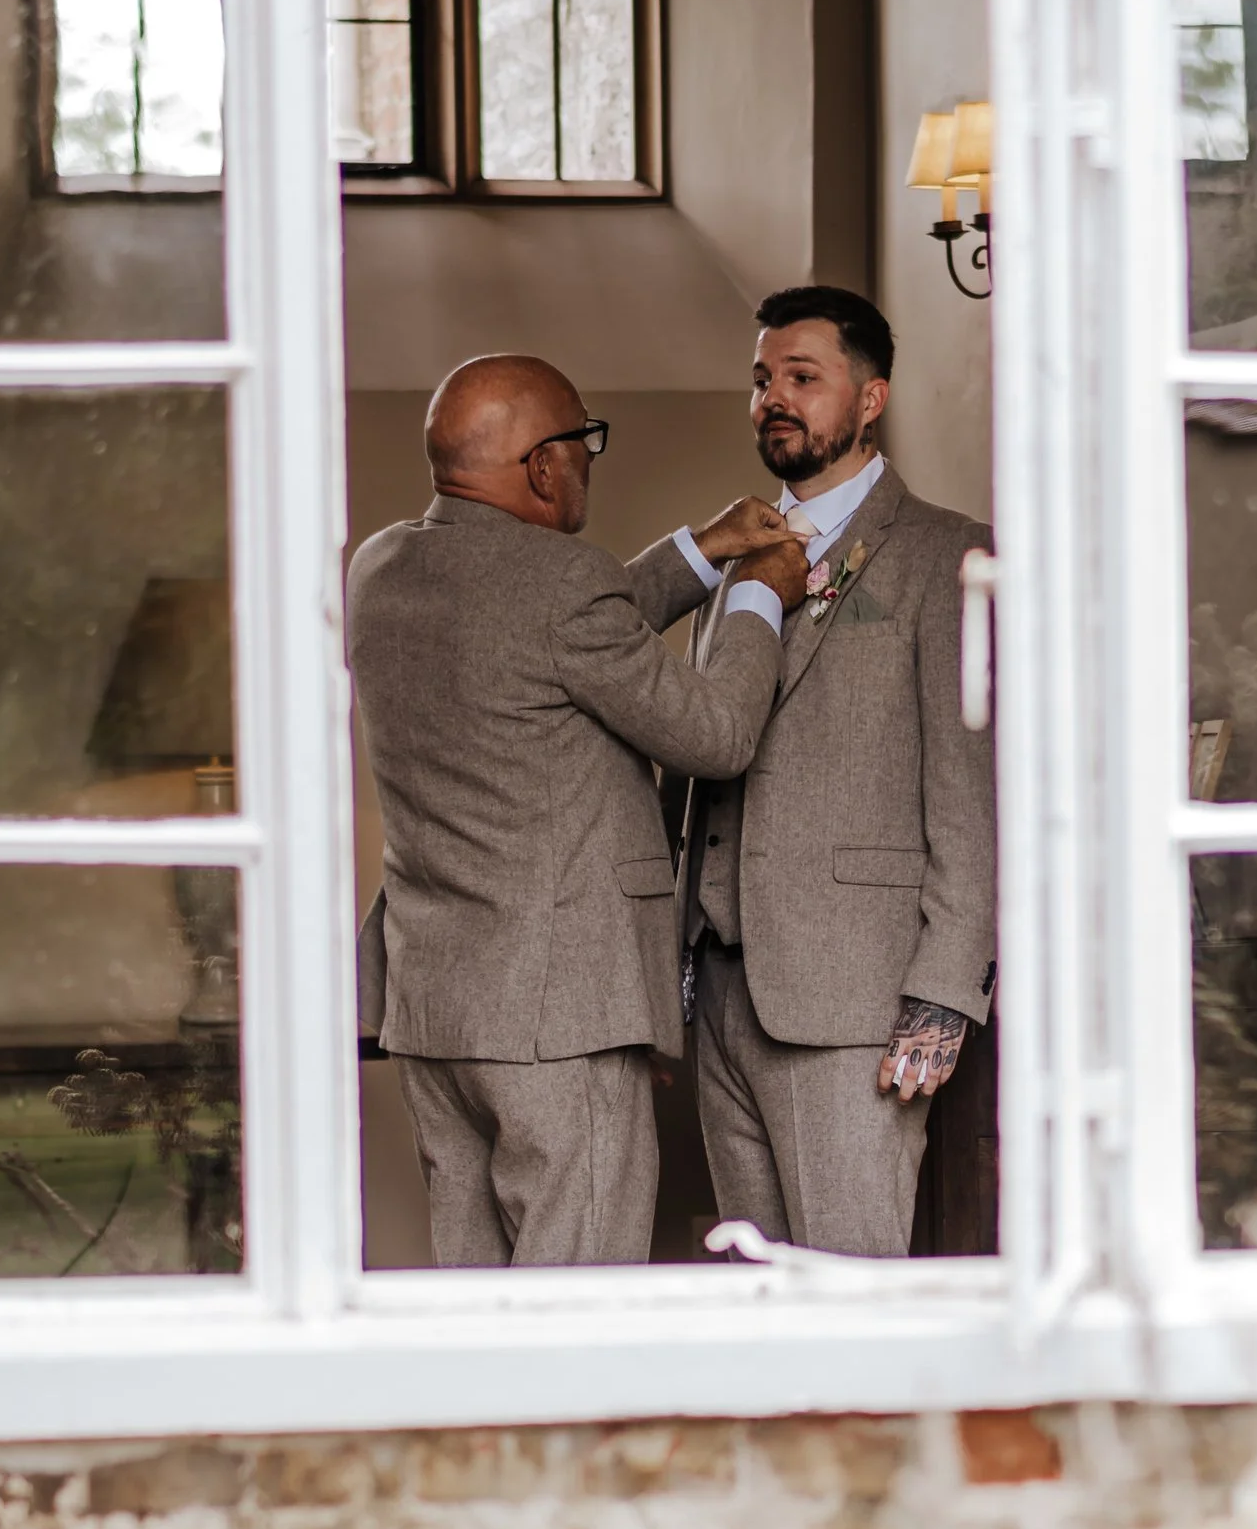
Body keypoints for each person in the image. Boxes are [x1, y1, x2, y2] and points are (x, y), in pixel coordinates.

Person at [347, 355, 808, 1268]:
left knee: (479, 1297)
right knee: (580, 1294)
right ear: (544, 465)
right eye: (585, 440)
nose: (591, 461)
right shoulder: (559, 590)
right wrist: (758, 595)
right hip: (557, 1014)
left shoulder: (383, 567)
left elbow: (536, 628)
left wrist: (697, 551)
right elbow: (715, 735)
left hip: (439, 1009)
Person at [624, 288, 996, 1258]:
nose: (772, 400)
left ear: (869, 400)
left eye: (801, 378)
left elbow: (974, 786)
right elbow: (699, 751)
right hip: (720, 988)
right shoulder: (735, 556)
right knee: (757, 1291)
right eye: (760, 381)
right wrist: (669, 964)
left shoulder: (944, 555)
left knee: (854, 1280)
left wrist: (946, 989)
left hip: (856, 1001)